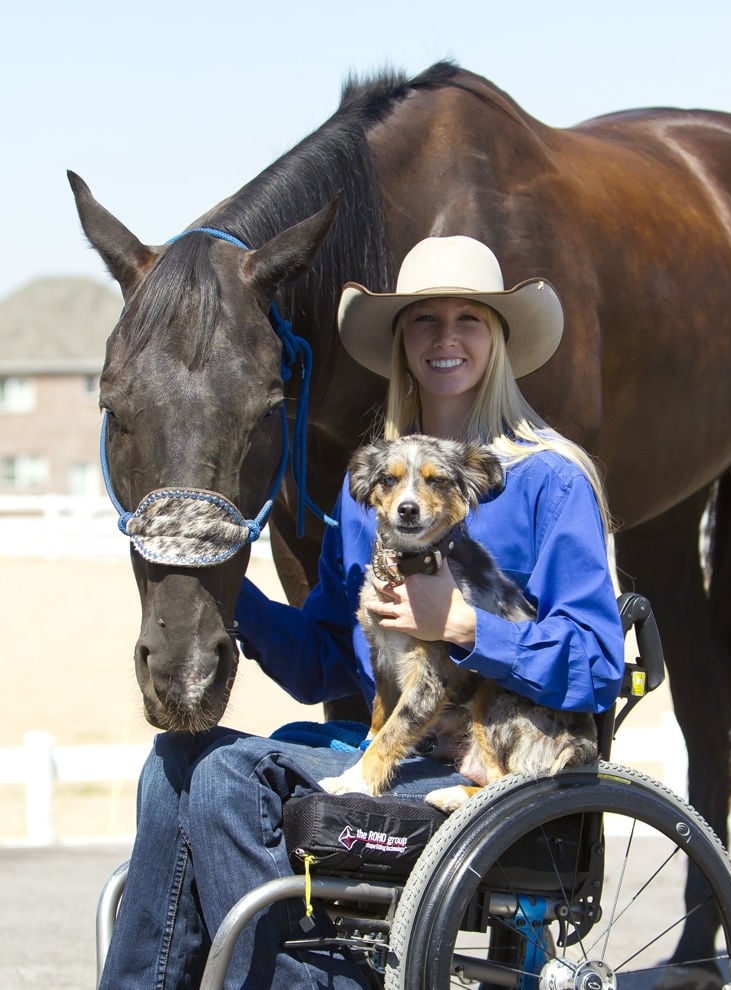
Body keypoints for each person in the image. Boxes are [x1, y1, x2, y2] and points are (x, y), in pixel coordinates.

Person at [98, 236, 625, 990]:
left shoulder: (550, 480)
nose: (445, 339)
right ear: (402, 343)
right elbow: (326, 661)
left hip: (502, 770)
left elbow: (600, 666)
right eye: (423, 322)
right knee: (177, 761)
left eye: (468, 319)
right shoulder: (372, 489)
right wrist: (209, 580)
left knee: (224, 781)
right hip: (390, 745)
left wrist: (464, 626)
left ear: (499, 337)